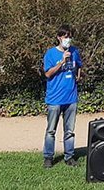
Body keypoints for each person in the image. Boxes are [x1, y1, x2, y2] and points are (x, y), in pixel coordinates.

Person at [42, 24, 83, 168]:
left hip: (71, 98)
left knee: (69, 131)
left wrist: (78, 76)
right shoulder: (50, 54)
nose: (68, 39)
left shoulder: (74, 51)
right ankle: (48, 157)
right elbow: (48, 73)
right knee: (51, 130)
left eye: (70, 37)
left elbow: (79, 65)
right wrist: (62, 62)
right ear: (59, 38)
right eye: (66, 37)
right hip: (55, 99)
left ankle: (69, 156)